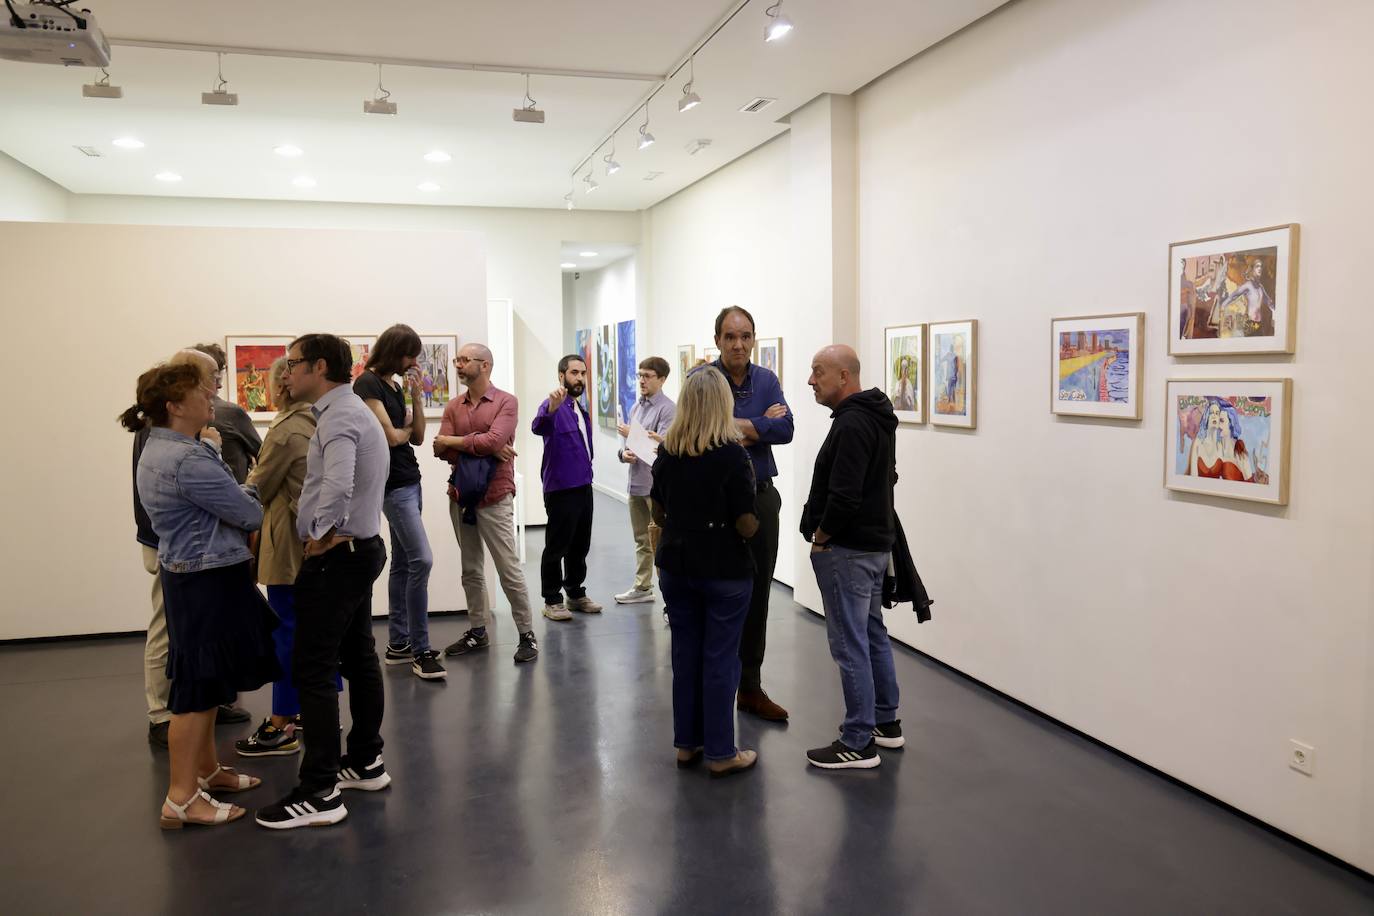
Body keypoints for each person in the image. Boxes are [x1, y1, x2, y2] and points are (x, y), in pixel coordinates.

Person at [122, 362, 279, 829]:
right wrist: (244, 483)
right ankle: (181, 797)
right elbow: (248, 512)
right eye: (201, 390)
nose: (211, 396)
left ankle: (208, 771)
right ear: (174, 405)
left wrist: (211, 451)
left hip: (191, 573)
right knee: (195, 692)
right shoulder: (188, 458)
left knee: (206, 684)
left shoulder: (162, 446)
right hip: (207, 577)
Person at [255, 334, 392, 830]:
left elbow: (338, 482)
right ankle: (365, 761)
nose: (286, 373)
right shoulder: (350, 412)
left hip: (340, 555)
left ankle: (319, 790)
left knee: (311, 668)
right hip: (361, 550)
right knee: (357, 656)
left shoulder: (339, 417)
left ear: (318, 367)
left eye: (292, 365)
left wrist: (320, 534)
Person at [651, 366, 759, 778]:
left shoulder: (667, 452)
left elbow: (658, 511)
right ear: (722, 404)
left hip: (677, 565)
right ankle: (720, 752)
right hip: (724, 568)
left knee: (685, 654)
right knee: (720, 659)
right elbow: (745, 521)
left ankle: (687, 744)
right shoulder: (733, 454)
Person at [800, 345, 902, 770]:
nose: (811, 380)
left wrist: (821, 537)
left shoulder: (852, 425)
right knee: (872, 634)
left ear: (844, 376)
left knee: (849, 642)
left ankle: (858, 740)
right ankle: (886, 723)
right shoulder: (875, 418)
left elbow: (843, 497)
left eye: (818, 372)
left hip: (849, 550)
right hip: (875, 547)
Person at [707, 306, 793, 722]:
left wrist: (734, 425)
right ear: (718, 340)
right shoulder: (701, 381)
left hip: (760, 498)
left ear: (753, 339)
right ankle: (716, 687)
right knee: (718, 592)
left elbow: (787, 429)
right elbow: (702, 430)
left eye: (745, 336)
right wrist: (759, 424)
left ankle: (751, 687)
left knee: (758, 592)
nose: (738, 344)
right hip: (714, 503)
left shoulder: (767, 379)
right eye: (730, 336)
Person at [235, 357, 320, 758]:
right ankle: (314, 711)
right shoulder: (320, 420)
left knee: (287, 630)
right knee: (314, 631)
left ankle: (282, 722)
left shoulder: (284, 430)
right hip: (316, 541)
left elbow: (258, 488)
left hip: (287, 542)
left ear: (279, 387)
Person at [433, 343, 539, 662]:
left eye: (465, 360)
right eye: (458, 360)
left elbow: (495, 440)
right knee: (471, 569)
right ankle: (477, 631)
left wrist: (464, 442)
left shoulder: (507, 401)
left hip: (495, 495)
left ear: (485, 365)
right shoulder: (454, 406)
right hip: (461, 495)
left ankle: (527, 634)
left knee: (508, 567)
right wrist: (486, 447)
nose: (459, 365)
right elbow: (441, 449)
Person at [355, 324, 445, 681]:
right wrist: (404, 430)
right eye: (410, 355)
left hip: (412, 479)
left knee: (405, 563)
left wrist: (417, 398)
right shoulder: (368, 384)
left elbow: (419, 436)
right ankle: (421, 650)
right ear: (395, 351)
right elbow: (392, 437)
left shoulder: (393, 385)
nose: (412, 363)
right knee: (422, 559)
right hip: (392, 486)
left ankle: (398, 644)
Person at [530, 354, 602, 620]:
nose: (580, 378)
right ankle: (552, 599)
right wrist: (551, 407)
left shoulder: (579, 410)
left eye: (583, 373)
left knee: (580, 544)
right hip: (561, 488)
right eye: (574, 373)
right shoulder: (553, 406)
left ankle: (575, 593)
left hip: (584, 485)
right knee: (557, 545)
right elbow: (538, 426)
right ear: (561, 376)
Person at [614, 356, 676, 605]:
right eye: (640, 375)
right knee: (641, 539)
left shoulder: (668, 409)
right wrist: (623, 454)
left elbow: (662, 450)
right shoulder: (636, 407)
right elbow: (629, 446)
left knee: (660, 541)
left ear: (662, 380)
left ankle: (670, 599)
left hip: (656, 487)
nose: (642, 380)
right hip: (636, 482)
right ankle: (642, 587)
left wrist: (633, 434)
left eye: (648, 376)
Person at [191, 342, 263, 486]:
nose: (220, 384)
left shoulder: (165, 418)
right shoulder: (231, 413)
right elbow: (265, 456)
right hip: (231, 498)